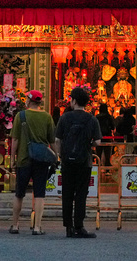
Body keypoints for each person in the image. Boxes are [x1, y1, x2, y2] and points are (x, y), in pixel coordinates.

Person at [55, 86, 102, 239]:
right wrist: (88, 145)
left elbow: (57, 140)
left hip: (67, 161)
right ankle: (79, 226)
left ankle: (68, 226)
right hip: (84, 161)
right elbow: (98, 142)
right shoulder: (92, 119)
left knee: (67, 193)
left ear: (73, 101)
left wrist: (60, 155)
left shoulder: (64, 118)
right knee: (81, 194)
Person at [9, 90, 55, 235]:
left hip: (24, 159)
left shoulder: (20, 116)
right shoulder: (47, 117)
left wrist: (12, 159)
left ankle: (15, 225)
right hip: (41, 160)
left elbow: (15, 140)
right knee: (40, 193)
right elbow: (52, 141)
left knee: (19, 193)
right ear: (40, 102)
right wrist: (56, 157)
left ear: (29, 101)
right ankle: (37, 227)